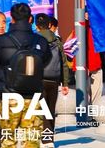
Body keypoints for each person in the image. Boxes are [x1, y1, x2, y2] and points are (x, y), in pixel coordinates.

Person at [0, 3, 51, 148]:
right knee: (32, 141)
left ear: (12, 20)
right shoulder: (40, 41)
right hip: (34, 97)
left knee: (8, 140)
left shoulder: (1, 41)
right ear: (30, 19)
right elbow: (45, 61)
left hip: (9, 96)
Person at [35, 14, 70, 145]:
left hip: (38, 80)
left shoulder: (35, 39)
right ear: (49, 25)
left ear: (37, 26)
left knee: (38, 110)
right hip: (54, 80)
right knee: (50, 110)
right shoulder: (57, 40)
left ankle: (39, 139)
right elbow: (64, 63)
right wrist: (65, 82)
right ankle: (49, 140)